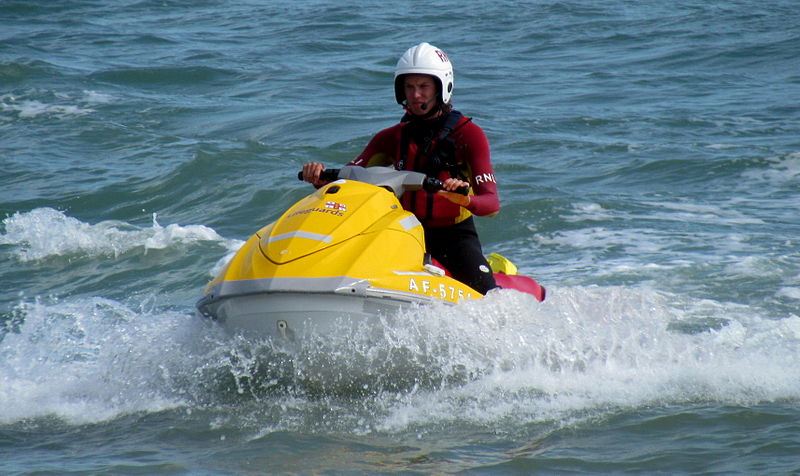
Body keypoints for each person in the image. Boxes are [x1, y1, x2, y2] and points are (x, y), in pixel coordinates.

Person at [302, 42, 499, 294]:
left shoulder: (469, 135)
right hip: (402, 229)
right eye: (409, 86)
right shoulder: (392, 137)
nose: (416, 95)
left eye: (424, 86)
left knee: (487, 293)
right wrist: (319, 178)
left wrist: (464, 199)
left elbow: (491, 203)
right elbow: (352, 176)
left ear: (442, 87)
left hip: (453, 236)